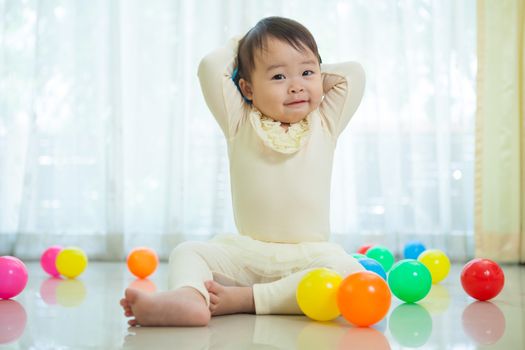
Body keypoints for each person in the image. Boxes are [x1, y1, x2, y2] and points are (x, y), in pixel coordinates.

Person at [120, 16, 365, 327]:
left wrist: (293, 67)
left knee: (348, 273)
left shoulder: (325, 122)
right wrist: (243, 46)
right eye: (278, 77)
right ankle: (191, 297)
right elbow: (210, 66)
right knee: (189, 251)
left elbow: (353, 73)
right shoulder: (239, 121)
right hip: (247, 253)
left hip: (310, 256)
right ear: (247, 88)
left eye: (307, 72)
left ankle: (249, 299)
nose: (296, 86)